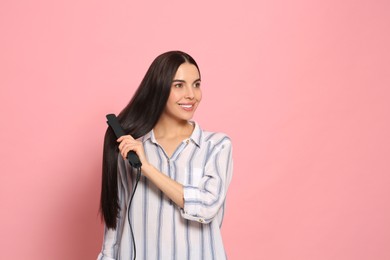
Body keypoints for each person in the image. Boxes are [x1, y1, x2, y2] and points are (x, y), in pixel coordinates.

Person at [98, 50, 233, 260]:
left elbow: (207, 206)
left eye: (196, 84)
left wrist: (148, 169)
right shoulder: (131, 150)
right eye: (179, 85)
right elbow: (116, 221)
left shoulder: (216, 146)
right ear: (158, 89)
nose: (191, 94)